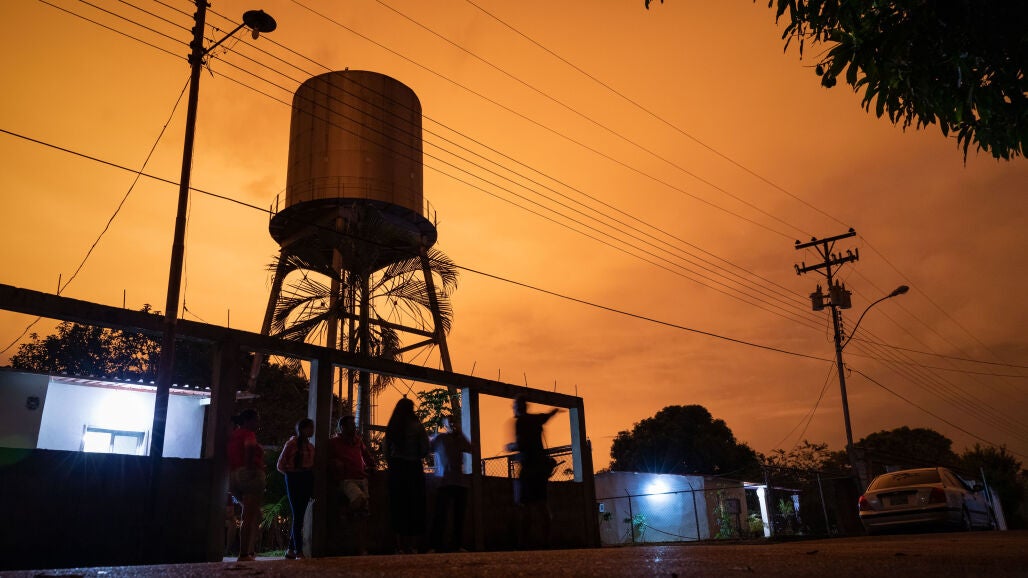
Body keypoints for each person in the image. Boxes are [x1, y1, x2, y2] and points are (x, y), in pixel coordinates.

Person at [506, 394, 561, 549]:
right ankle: (546, 541)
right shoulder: (536, 419)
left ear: (517, 408)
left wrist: (511, 447)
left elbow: (521, 444)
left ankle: (524, 542)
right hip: (540, 469)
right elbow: (547, 416)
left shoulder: (520, 422)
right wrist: (555, 411)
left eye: (514, 406)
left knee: (525, 505)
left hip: (529, 468)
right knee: (542, 505)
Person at [384, 397, 430, 553]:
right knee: (415, 506)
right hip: (413, 468)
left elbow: (386, 450)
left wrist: (392, 463)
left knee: (398, 506)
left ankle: (399, 546)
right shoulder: (417, 426)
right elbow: (425, 448)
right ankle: (412, 545)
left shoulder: (392, 427)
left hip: (396, 469)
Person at [329, 413, 373, 555]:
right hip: (347, 480)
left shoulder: (358, 441)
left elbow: (367, 457)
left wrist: (371, 465)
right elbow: (327, 460)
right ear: (342, 427)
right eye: (351, 425)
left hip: (361, 478)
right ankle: (345, 512)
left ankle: (361, 548)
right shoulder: (334, 442)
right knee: (360, 499)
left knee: (363, 516)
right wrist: (335, 464)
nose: (354, 428)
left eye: (354, 425)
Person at [429, 414, 473, 553]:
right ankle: (436, 545)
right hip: (445, 481)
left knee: (458, 516)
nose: (453, 425)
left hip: (458, 481)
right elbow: (428, 448)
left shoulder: (459, 439)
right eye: (450, 423)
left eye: (455, 422)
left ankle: (455, 545)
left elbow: (470, 448)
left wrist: (460, 434)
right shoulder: (441, 438)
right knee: (441, 515)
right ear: (445, 425)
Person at [227, 408, 265, 562]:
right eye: (256, 420)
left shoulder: (233, 435)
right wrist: (250, 469)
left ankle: (250, 551)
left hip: (234, 475)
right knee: (249, 515)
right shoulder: (248, 434)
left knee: (254, 514)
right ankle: (244, 553)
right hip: (249, 476)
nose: (258, 423)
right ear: (248, 421)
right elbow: (249, 447)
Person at [276, 417, 314, 560]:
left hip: (306, 478)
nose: (312, 430)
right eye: (310, 427)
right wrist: (291, 474)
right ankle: (298, 550)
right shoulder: (291, 444)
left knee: (300, 515)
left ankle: (291, 550)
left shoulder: (310, 447)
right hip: (294, 478)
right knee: (298, 514)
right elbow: (280, 465)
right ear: (302, 429)